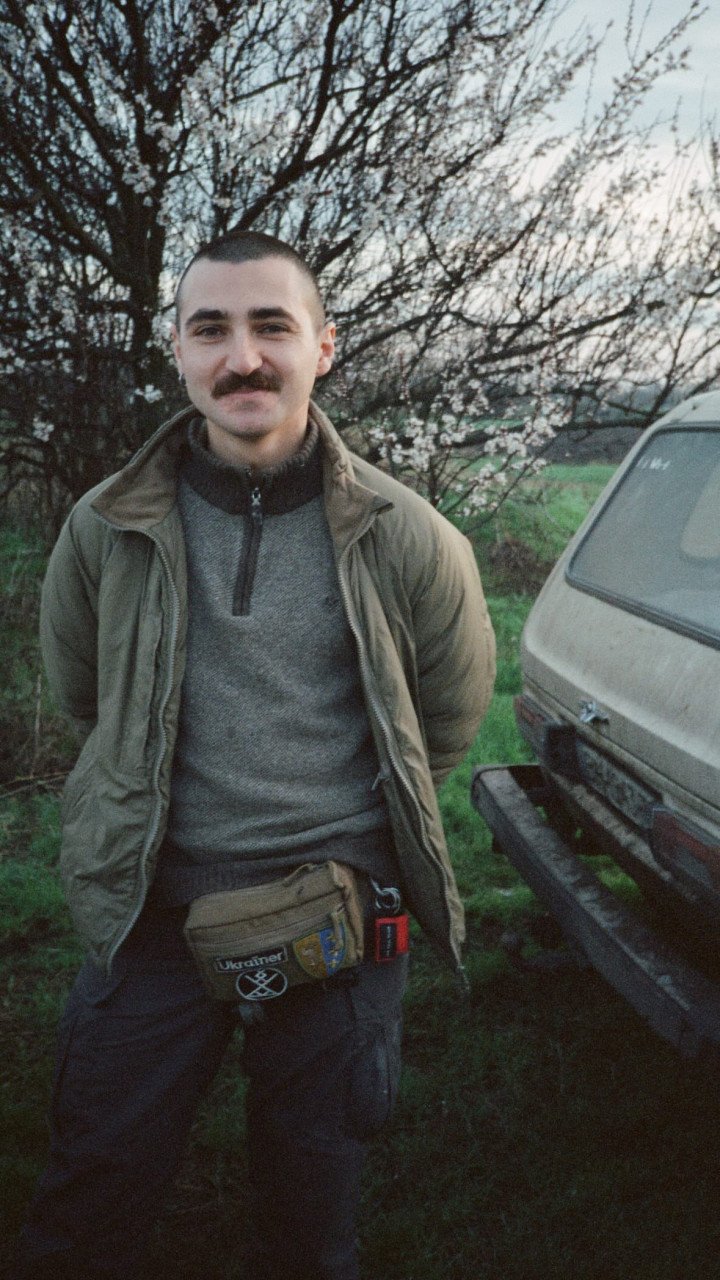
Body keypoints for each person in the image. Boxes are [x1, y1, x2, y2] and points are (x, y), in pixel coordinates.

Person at [13, 230, 496, 1280]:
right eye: (212, 328)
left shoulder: (412, 538)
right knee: (89, 1202)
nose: (244, 357)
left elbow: (446, 722)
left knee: (311, 1224)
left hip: (339, 920)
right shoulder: (104, 528)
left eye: (272, 325)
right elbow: (88, 696)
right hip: (149, 912)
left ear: (322, 345)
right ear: (177, 351)